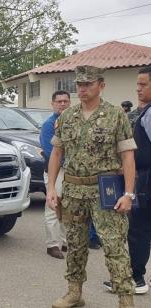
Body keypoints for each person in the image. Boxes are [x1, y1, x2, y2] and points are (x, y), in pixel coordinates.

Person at [47, 65, 137, 308]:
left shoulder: (116, 115)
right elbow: (57, 153)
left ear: (101, 85)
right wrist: (51, 189)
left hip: (105, 191)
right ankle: (74, 293)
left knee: (114, 245)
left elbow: (128, 156)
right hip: (74, 190)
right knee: (75, 245)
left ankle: (125, 299)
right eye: (79, 84)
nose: (83, 88)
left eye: (88, 84)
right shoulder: (67, 116)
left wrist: (128, 194)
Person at [104, 66, 151, 295]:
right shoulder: (144, 111)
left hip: (146, 181)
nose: (138, 89)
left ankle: (136, 279)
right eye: (137, 85)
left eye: (143, 85)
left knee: (139, 229)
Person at [40, 90, 70, 259]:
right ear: (52, 104)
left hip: (71, 172)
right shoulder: (48, 125)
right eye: (59, 101)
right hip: (55, 172)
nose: (62, 104)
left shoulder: (73, 122)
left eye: (65, 101)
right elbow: (50, 151)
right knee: (53, 206)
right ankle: (52, 244)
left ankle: (65, 241)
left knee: (67, 207)